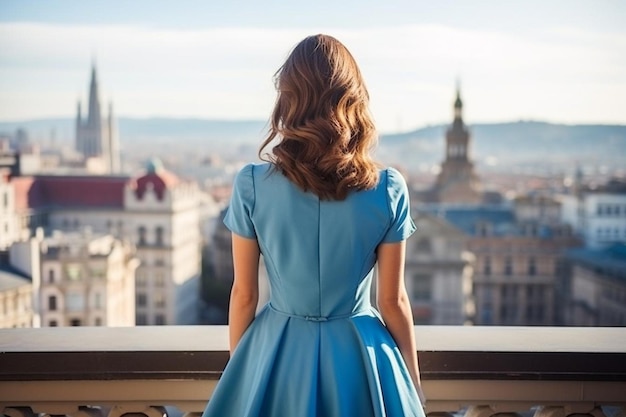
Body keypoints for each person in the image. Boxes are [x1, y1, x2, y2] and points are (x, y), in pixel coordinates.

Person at [202, 34, 426, 416]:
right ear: (352, 98)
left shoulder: (251, 184)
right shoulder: (389, 188)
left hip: (278, 349)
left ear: (289, 98)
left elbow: (243, 295)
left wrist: (244, 371)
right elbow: (392, 301)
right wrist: (413, 384)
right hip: (362, 356)